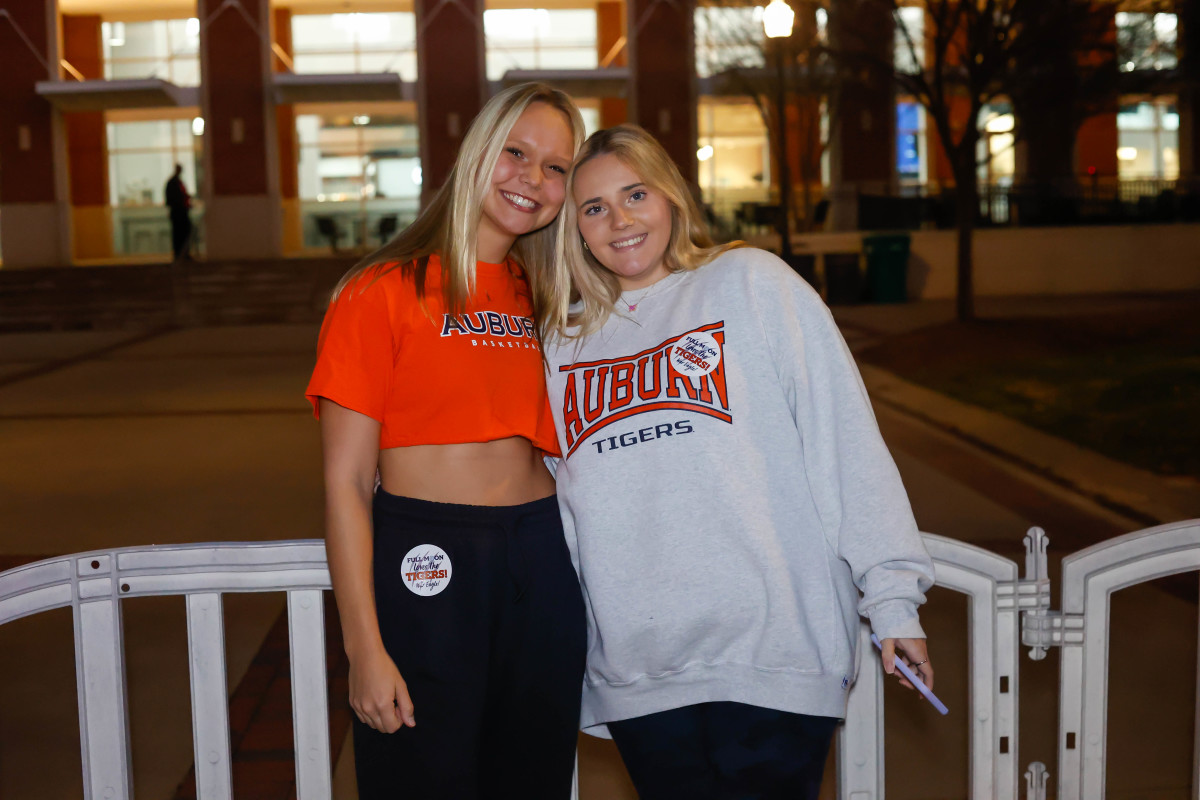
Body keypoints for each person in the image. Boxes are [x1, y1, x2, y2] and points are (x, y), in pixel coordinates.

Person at [541, 124, 936, 800]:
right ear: (574, 229)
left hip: (775, 655)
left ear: (671, 196)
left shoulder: (752, 283)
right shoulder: (561, 342)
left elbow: (842, 445)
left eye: (636, 194)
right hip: (641, 672)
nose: (621, 220)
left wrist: (894, 602)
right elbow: (562, 508)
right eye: (594, 207)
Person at [305, 83, 587, 799]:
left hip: (541, 557)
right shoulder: (378, 291)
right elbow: (344, 483)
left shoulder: (545, 295)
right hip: (429, 562)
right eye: (516, 153)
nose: (533, 178)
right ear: (477, 153)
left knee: (534, 779)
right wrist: (362, 647)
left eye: (556, 167)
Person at [164, 163, 192, 261]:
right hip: (178, 212)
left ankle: (183, 254)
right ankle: (180, 254)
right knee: (179, 234)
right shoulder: (174, 182)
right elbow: (172, 198)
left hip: (181, 212)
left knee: (183, 233)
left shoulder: (176, 182)